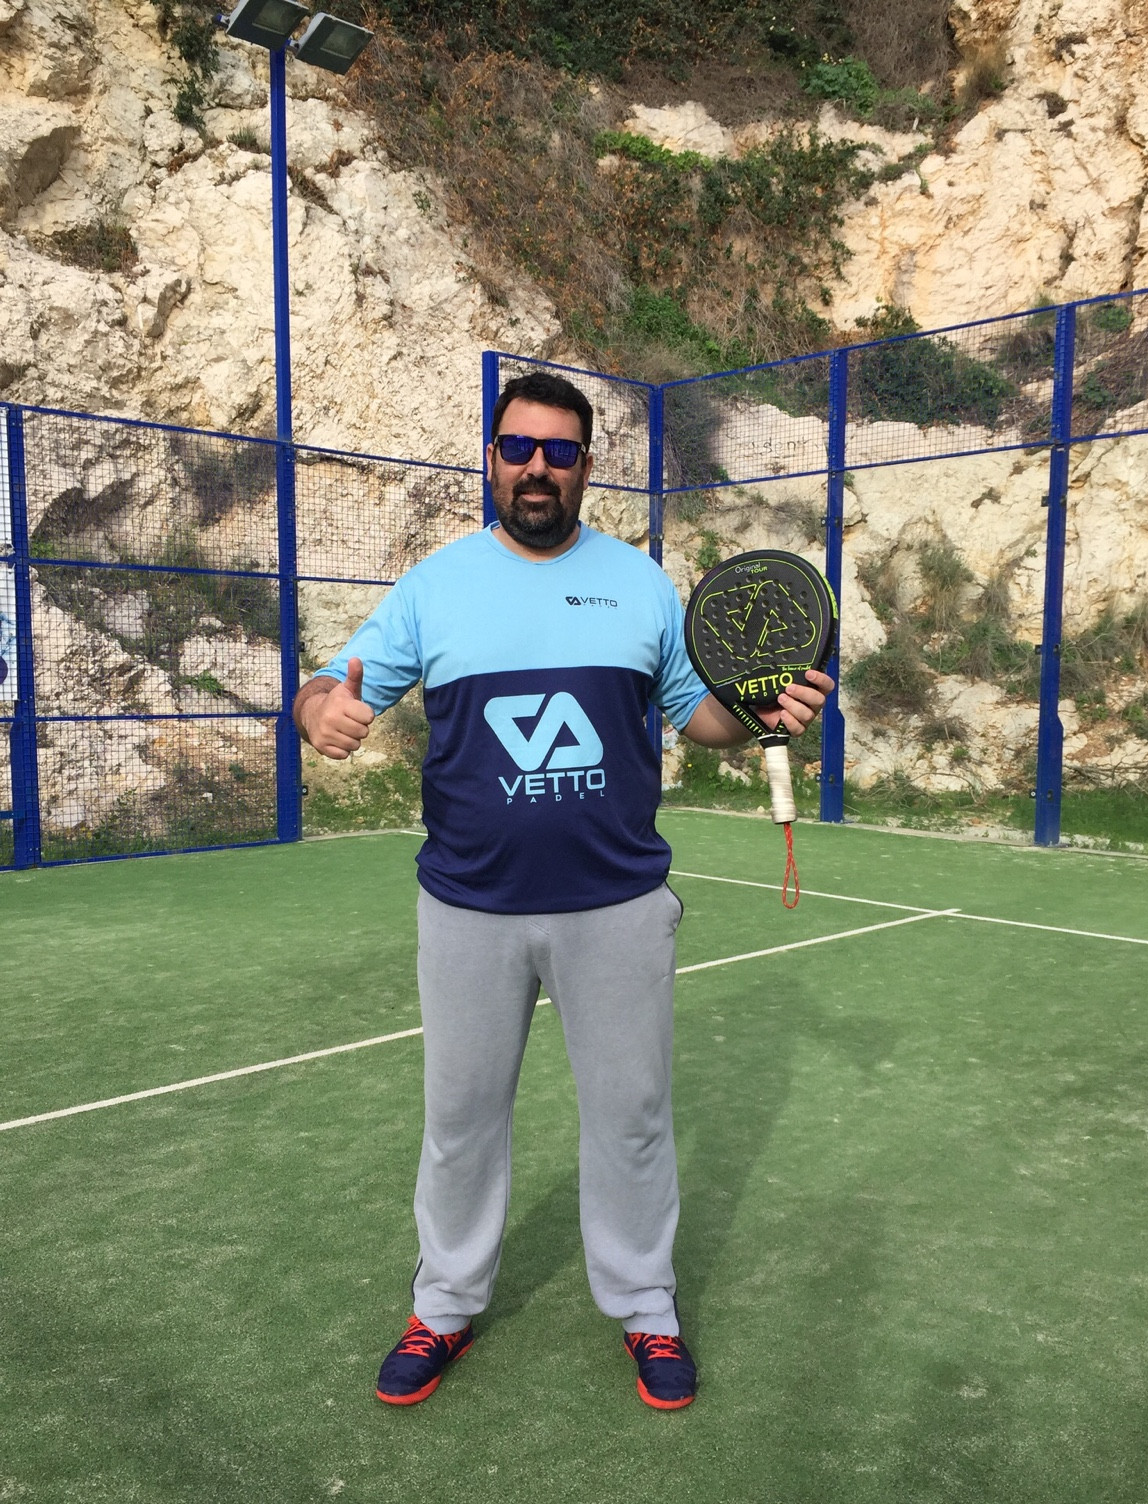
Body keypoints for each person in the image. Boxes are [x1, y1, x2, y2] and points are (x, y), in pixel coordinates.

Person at [293, 371, 832, 1410]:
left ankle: (646, 1305)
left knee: (632, 1118)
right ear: (491, 458)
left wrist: (763, 712)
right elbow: (329, 685)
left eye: (559, 451)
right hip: (468, 906)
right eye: (518, 448)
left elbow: (699, 717)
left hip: (616, 906)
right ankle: (445, 1305)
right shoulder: (436, 586)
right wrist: (319, 712)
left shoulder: (639, 585)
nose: (536, 468)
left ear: (587, 465)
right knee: (460, 1120)